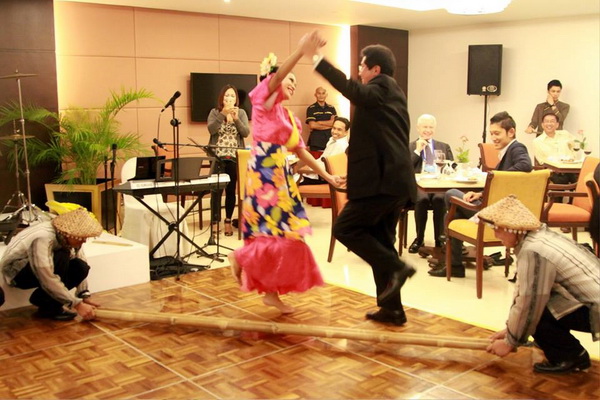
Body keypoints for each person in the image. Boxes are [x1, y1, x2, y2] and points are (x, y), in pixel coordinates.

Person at [227, 33, 343, 314]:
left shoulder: (286, 117)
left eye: (295, 82)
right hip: (263, 174)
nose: (292, 84)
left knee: (290, 236)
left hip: (281, 175)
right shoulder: (263, 102)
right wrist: (301, 52)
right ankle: (242, 257)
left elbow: (302, 151)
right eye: (289, 80)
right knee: (269, 233)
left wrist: (328, 177)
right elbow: (277, 78)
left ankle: (271, 292)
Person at [307, 38, 417, 326]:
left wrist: (317, 58)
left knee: (346, 228)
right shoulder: (391, 93)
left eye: (362, 67)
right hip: (389, 182)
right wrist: (352, 175)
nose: (359, 73)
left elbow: (350, 88)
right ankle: (392, 310)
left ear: (375, 69)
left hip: (382, 184)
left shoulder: (381, 87)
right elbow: (376, 140)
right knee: (381, 242)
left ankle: (397, 269)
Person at [481, 195, 599, 374]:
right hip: (591, 300)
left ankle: (570, 357)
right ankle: (565, 349)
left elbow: (529, 301)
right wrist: (511, 330)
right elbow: (523, 290)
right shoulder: (540, 235)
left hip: (595, 307)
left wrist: (510, 342)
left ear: (512, 228)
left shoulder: (533, 250)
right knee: (531, 314)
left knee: (536, 313)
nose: (495, 234)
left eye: (497, 229)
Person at [430, 111, 532, 277]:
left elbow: (525, 165)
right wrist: (481, 194)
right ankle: (454, 263)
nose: (493, 138)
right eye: (492, 133)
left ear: (511, 132)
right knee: (452, 215)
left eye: (497, 133)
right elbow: (504, 184)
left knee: (450, 195)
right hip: (493, 204)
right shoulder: (507, 151)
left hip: (496, 212)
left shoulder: (517, 148)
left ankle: (453, 254)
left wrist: (493, 178)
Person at [0, 208, 102, 321]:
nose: (84, 241)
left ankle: (43, 299)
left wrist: (83, 295)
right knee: (62, 255)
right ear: (69, 234)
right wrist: (77, 305)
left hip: (39, 267)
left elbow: (80, 259)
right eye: (82, 238)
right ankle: (50, 307)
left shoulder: (70, 237)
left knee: (80, 267)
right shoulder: (43, 237)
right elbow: (45, 275)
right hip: (16, 272)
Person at [207, 84, 250, 236]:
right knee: (216, 191)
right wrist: (223, 114)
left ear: (236, 99)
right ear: (222, 98)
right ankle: (214, 222)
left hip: (234, 157)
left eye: (232, 96)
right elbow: (211, 129)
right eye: (226, 96)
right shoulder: (214, 112)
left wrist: (237, 119)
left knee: (230, 190)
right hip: (217, 157)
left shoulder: (242, 112)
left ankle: (227, 221)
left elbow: (245, 133)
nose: (229, 98)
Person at [408, 114, 453, 252]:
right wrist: (418, 151)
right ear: (418, 128)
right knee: (421, 200)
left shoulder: (443, 146)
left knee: (440, 199)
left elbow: (451, 166)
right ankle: (419, 238)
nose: (427, 130)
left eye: (430, 127)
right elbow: (406, 167)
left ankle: (439, 239)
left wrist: (449, 169)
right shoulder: (410, 146)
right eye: (424, 127)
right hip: (420, 185)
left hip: (438, 184)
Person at [299, 116, 350, 185]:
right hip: (320, 173)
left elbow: (329, 167)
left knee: (291, 183)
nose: (335, 131)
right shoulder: (332, 140)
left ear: (346, 132)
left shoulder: (340, 145)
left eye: (339, 129)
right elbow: (323, 159)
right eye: (334, 128)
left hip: (323, 177)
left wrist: (310, 168)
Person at [533, 112, 577, 184]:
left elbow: (576, 145)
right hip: (553, 172)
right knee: (560, 181)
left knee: (583, 180)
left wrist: (573, 156)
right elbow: (541, 161)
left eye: (552, 121)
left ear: (557, 125)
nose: (549, 124)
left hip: (570, 169)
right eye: (546, 121)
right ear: (542, 125)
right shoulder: (537, 141)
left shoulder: (565, 134)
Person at [305, 86, 337, 151]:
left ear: (326, 95)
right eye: (319, 93)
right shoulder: (311, 108)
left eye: (323, 93)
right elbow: (312, 125)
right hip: (316, 142)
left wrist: (319, 122)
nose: (321, 95)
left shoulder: (331, 108)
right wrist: (329, 124)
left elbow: (335, 123)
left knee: (330, 161)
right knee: (315, 161)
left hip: (330, 140)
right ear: (315, 95)